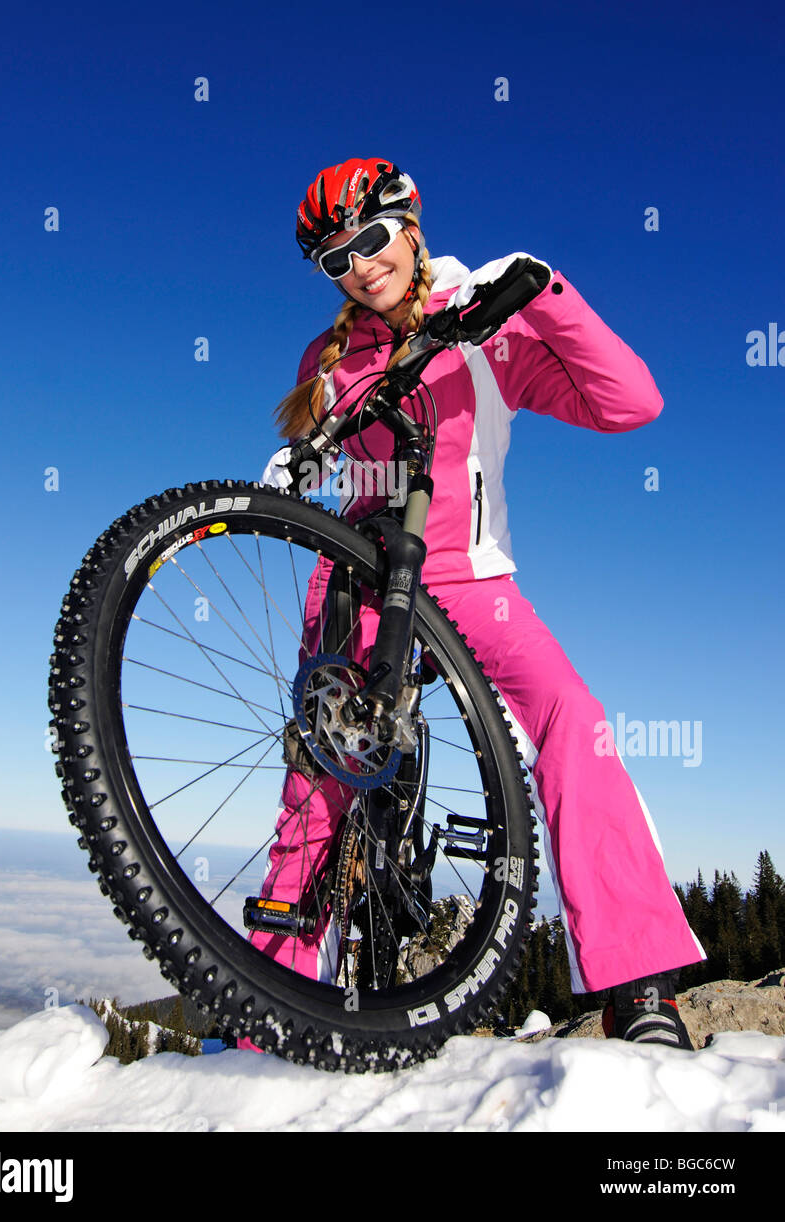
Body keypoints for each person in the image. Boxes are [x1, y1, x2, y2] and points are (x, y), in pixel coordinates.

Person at [249, 156, 705, 1050]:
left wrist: (538, 289)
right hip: (357, 575)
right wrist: (293, 473)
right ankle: (272, 1003)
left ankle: (635, 981)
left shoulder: (482, 324)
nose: (357, 267)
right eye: (334, 259)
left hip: (466, 575)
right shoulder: (329, 357)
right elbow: (324, 462)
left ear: (410, 226)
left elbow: (630, 403)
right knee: (316, 781)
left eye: (370, 241)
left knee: (574, 720)